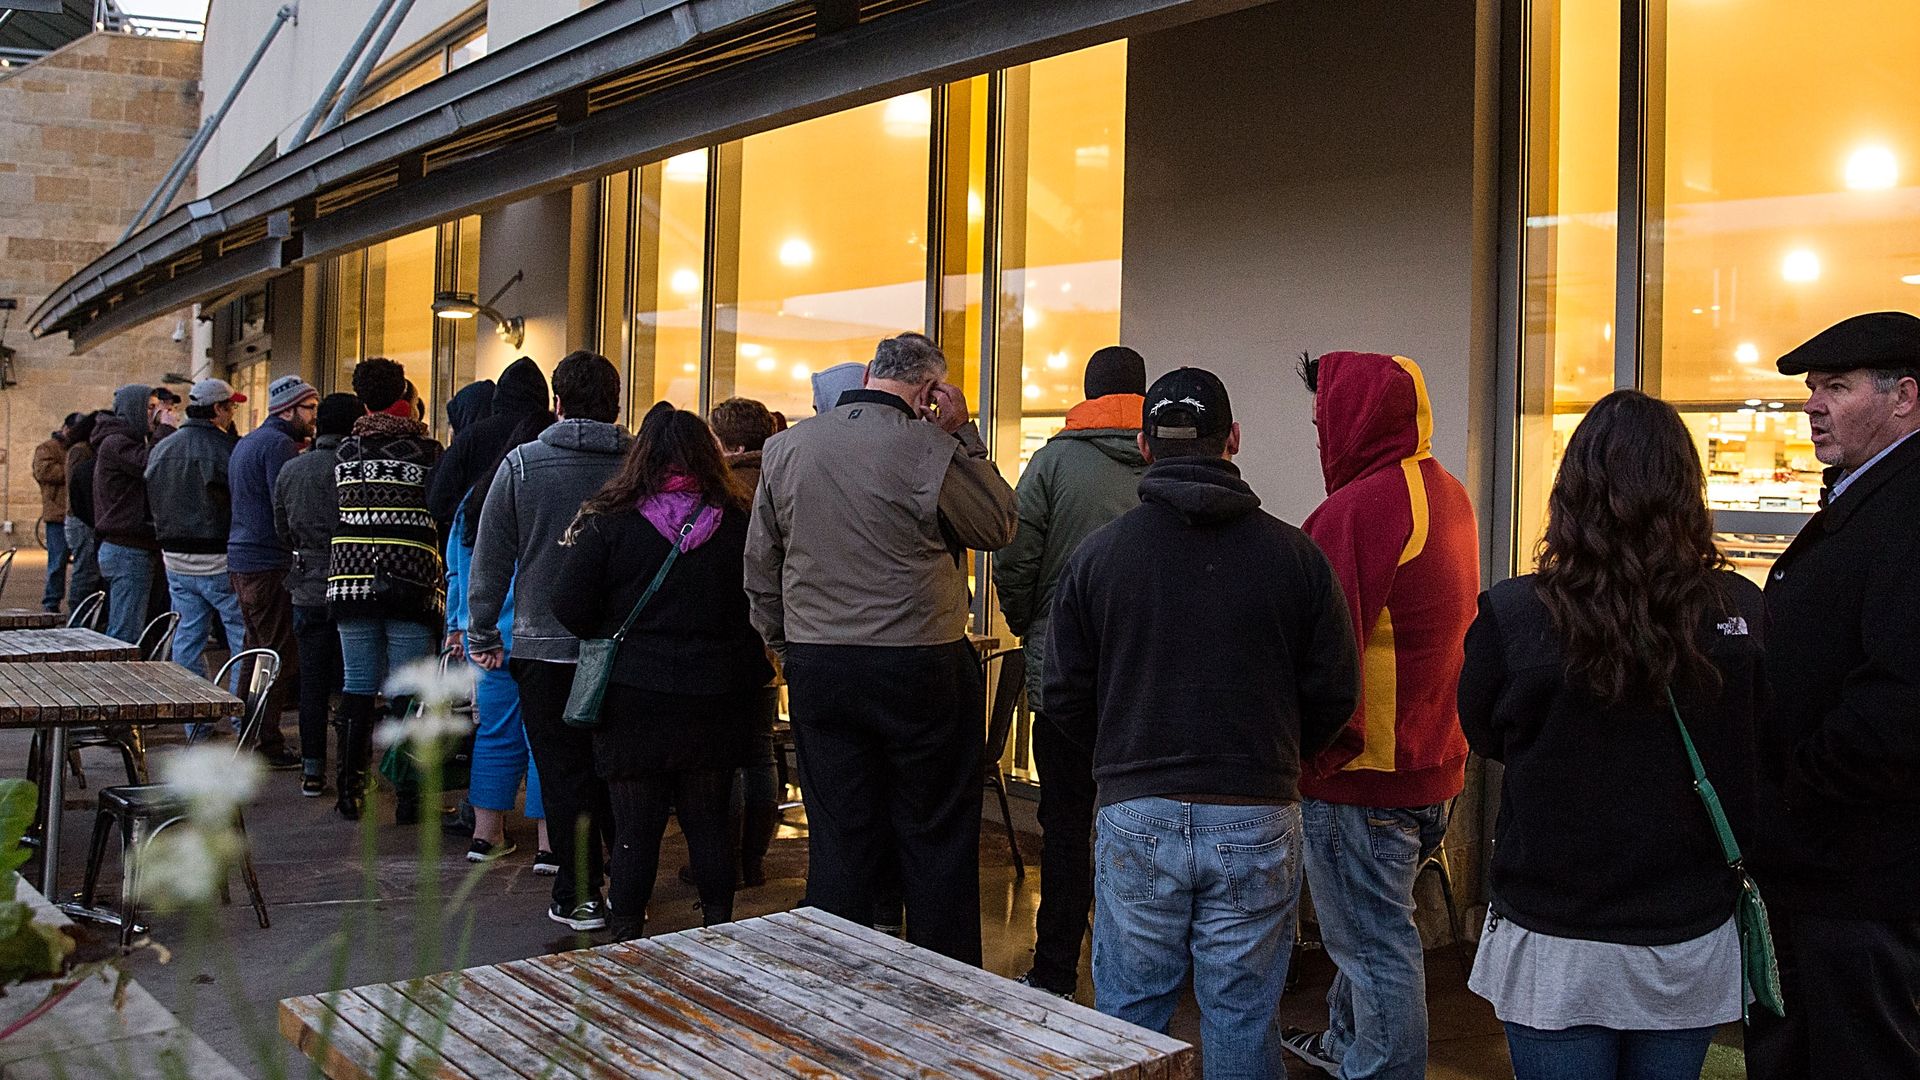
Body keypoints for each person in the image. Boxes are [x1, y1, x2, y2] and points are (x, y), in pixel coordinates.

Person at [1044, 367, 1360, 1078]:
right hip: (1256, 811)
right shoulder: (1296, 558)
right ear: (1233, 439)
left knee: (1129, 1019)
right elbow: (1335, 691)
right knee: (1243, 1014)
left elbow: (1063, 694)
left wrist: (1124, 750)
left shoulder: (1099, 557)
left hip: (1137, 807)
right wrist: (1279, 755)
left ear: (1144, 445)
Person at [1458, 389, 1766, 1080]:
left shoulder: (1517, 614)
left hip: (1555, 931)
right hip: (1687, 928)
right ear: (1687, 490)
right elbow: (1758, 740)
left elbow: (1485, 733)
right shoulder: (1739, 611)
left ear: (1572, 490)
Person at [745, 332, 1017, 964]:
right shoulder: (932, 449)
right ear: (930, 392)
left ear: (869, 373)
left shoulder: (785, 449)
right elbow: (998, 524)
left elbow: (761, 567)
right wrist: (964, 433)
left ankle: (837, 975)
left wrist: (787, 646)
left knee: (838, 833)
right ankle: (944, 981)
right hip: (920, 660)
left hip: (820, 661)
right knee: (936, 834)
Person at [1280, 351, 1482, 1080]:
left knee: (1373, 947)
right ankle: (1347, 1043)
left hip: (1362, 774)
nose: (1320, 435)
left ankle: (1384, 1068)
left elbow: (1315, 652)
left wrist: (1298, 753)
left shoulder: (1360, 509)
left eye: (1323, 419)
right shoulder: (1444, 489)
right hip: (1434, 759)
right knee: (1369, 935)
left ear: (1356, 418)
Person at [1746, 311, 1920, 1080]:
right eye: (1813, 389)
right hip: (1831, 866)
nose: (1812, 405)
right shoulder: (1869, 494)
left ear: (1904, 397)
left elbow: (1899, 702)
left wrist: (1792, 789)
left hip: (1858, 868)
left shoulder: (1906, 507)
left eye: (1836, 387)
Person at [553, 406, 775, 941]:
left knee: (636, 826)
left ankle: (626, 932)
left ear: (642, 457)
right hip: (716, 693)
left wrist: (613, 630)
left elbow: (568, 604)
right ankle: (719, 927)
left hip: (633, 694)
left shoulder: (610, 521)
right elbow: (762, 602)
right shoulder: (738, 523)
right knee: (709, 821)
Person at [991, 345, 1148, 998]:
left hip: (1066, 677)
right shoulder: (1167, 460)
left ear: (1086, 393)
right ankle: (1136, 969)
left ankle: (1055, 968)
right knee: (1142, 824)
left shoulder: (1053, 463)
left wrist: (1033, 623)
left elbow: (1014, 559)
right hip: (1146, 680)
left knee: (1065, 826)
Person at [468, 350, 631, 932]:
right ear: (616, 404)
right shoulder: (641, 464)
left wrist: (482, 630)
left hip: (543, 645)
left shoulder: (521, 466)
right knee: (621, 770)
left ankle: (579, 894)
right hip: (626, 647)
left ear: (557, 404)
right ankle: (628, 887)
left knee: (562, 773)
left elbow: (491, 559)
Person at [328, 358, 445, 821]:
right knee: (408, 690)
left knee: (357, 685)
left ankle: (350, 791)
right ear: (404, 395)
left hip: (350, 578)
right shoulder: (428, 451)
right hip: (411, 578)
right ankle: (409, 797)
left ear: (362, 401)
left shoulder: (344, 451)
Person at [445, 406, 555, 872]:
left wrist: (458, 627)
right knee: (546, 739)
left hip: (487, 637)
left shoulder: (476, 498)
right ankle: (551, 845)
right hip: (542, 636)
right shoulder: (551, 492)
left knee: (493, 734)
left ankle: (486, 836)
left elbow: (457, 571)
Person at [145, 379, 268, 747]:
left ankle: (195, 724)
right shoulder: (227, 449)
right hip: (218, 554)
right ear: (217, 409)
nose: (233, 413)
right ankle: (242, 720)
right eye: (231, 407)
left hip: (175, 556)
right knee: (241, 636)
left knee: (188, 637)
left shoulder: (163, 447)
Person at [707, 395, 781, 885]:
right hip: (771, 640)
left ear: (729, 446)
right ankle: (754, 859)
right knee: (759, 750)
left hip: (724, 635)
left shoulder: (719, 490)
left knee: (724, 758)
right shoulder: (781, 479)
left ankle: (726, 861)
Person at [229, 375, 320, 769]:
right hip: (268, 561)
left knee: (256, 648)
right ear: (288, 410)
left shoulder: (248, 441)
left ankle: (247, 729)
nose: (314, 416)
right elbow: (284, 504)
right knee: (278, 653)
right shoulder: (278, 445)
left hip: (244, 559)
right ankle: (266, 740)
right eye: (309, 408)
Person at [275, 393, 363, 797]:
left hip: (307, 583)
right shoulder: (357, 469)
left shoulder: (292, 469)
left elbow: (281, 529)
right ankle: (351, 770)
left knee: (311, 682)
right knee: (352, 682)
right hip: (352, 583)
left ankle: (312, 769)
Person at [428, 357, 548, 529]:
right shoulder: (547, 436)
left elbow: (438, 501)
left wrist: (470, 516)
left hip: (478, 537)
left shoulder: (472, 437)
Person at [92, 385, 172, 644]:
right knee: (125, 632)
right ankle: (116, 670)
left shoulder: (129, 440)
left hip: (133, 546)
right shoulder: (116, 442)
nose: (156, 413)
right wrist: (165, 430)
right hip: (126, 549)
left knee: (131, 626)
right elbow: (150, 465)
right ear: (134, 408)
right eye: (150, 407)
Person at [63, 411, 109, 613]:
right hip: (81, 518)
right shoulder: (81, 450)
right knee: (85, 571)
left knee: (91, 572)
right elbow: (76, 485)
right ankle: (77, 616)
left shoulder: (88, 449)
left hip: (87, 516)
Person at [33, 414, 79, 613]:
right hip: (57, 514)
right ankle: (51, 603)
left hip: (76, 514)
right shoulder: (47, 448)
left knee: (81, 563)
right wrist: (71, 467)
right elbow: (43, 472)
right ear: (65, 428)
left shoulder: (77, 448)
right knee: (57, 562)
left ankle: (76, 603)